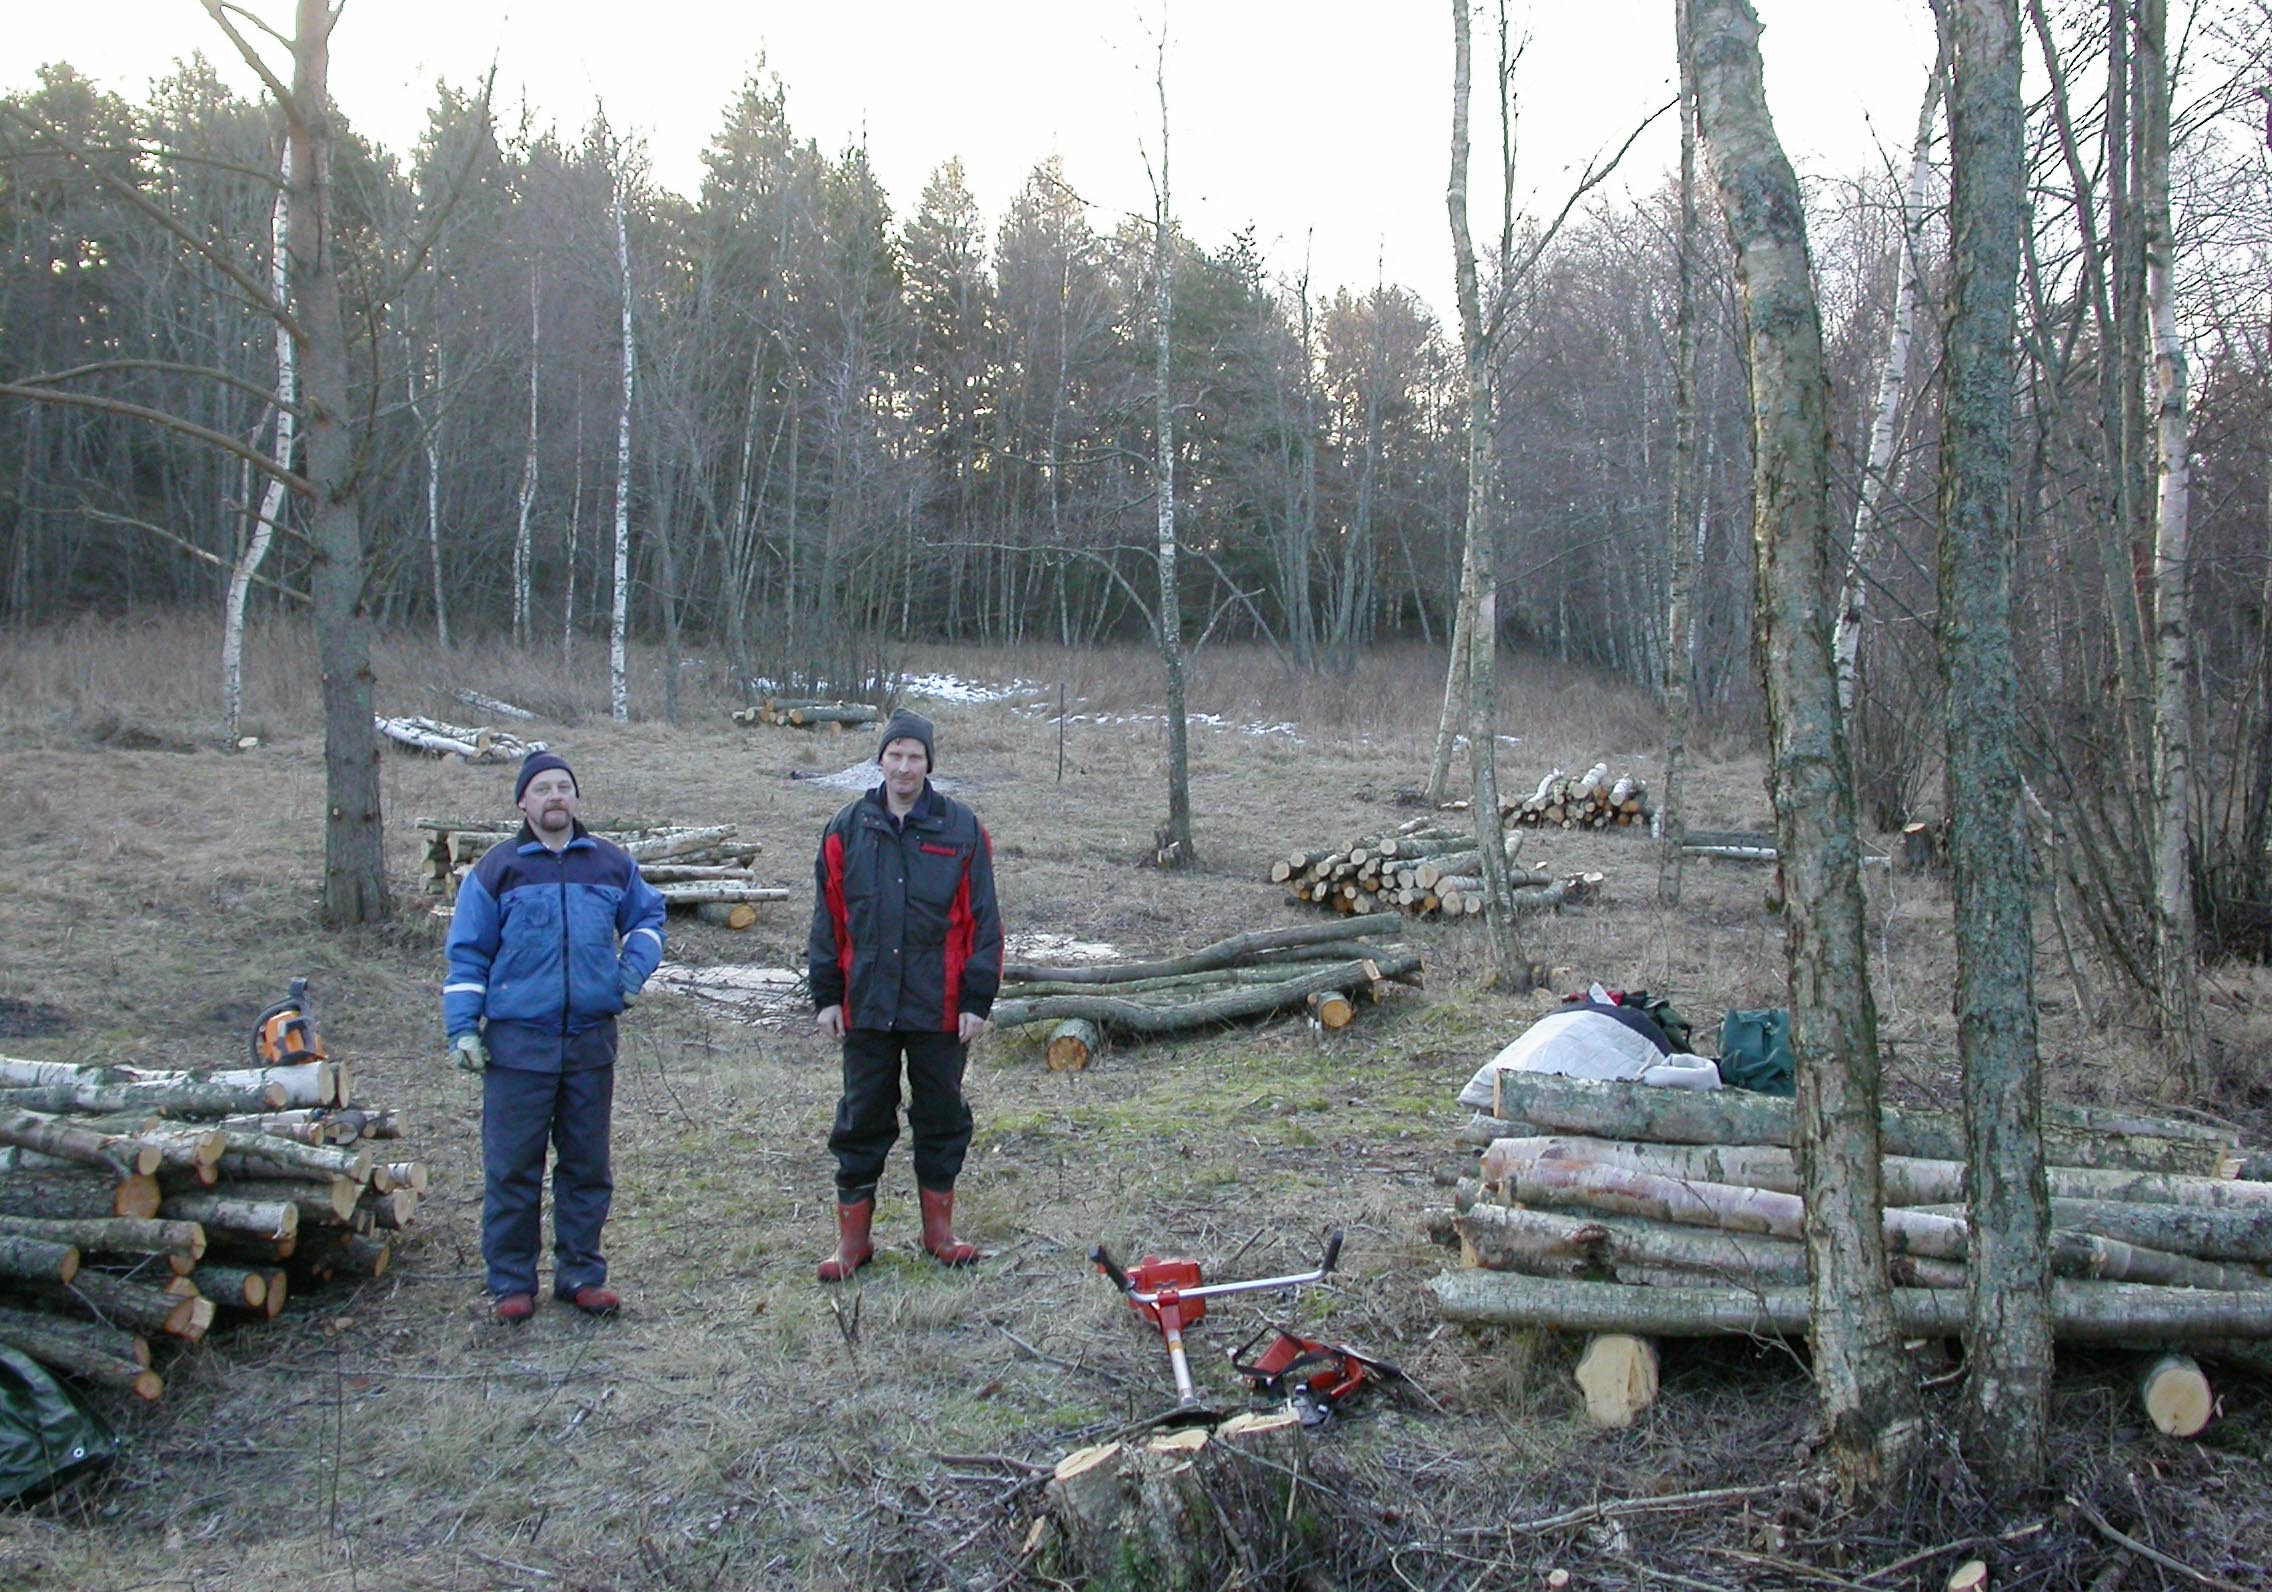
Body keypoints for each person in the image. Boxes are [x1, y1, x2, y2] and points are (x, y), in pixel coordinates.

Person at [444, 750, 666, 1324]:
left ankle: (582, 1275)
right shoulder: (497, 871)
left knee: (587, 1168)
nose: (554, 797)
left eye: (563, 787)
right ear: (523, 802)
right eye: (542, 788)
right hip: (519, 1047)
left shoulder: (611, 864)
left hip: (591, 1043)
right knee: (513, 1168)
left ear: (575, 798)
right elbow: (468, 955)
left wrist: (631, 973)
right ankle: (512, 1282)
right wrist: (463, 1029)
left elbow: (648, 920)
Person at [808, 709, 1002, 1281]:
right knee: (861, 1116)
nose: (905, 767)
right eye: (895, 755)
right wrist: (826, 994)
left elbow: (984, 920)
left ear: (929, 764)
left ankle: (938, 1233)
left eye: (915, 757)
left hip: (939, 1006)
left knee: (941, 1113)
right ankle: (853, 1243)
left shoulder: (962, 829)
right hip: (866, 1003)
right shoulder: (846, 827)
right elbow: (829, 917)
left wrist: (977, 999)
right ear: (881, 760)